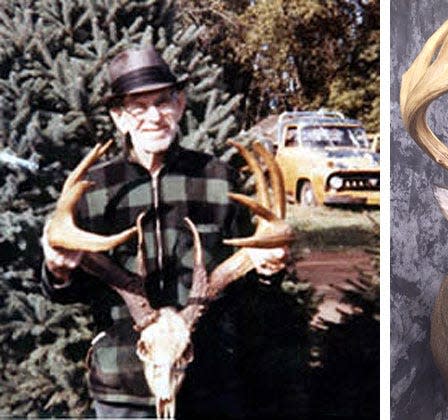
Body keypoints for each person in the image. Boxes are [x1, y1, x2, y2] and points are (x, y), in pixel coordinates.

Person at [40, 46, 288, 418]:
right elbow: (68, 291)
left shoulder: (218, 178)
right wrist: (58, 271)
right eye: (138, 107)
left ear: (181, 103)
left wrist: (269, 270)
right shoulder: (93, 188)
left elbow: (247, 283)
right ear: (119, 116)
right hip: (122, 386)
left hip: (209, 380)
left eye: (162, 102)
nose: (153, 117)